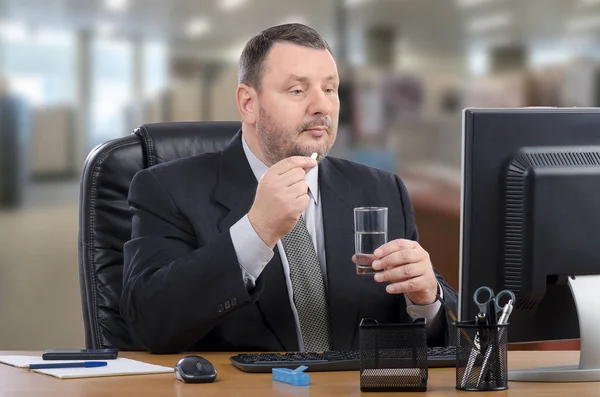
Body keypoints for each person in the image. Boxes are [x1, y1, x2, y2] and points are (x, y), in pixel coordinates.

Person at [121, 23, 458, 354]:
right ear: (249, 103)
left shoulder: (381, 189)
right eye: (298, 90)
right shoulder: (166, 189)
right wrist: (256, 232)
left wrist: (427, 302)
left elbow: (431, 340)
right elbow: (150, 325)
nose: (322, 107)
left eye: (329, 89)